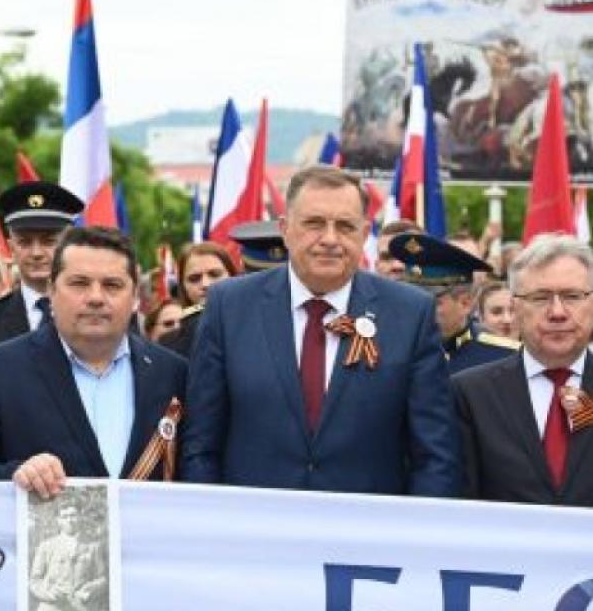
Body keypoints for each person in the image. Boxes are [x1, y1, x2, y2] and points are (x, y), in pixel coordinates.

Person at [180, 165, 460, 496]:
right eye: (314, 223)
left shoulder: (410, 313)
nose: (329, 239)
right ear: (285, 229)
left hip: (366, 524)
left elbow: (435, 456)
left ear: (364, 234)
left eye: (345, 226)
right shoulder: (229, 307)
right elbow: (201, 445)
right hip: (254, 523)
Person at [0, 227, 188, 496]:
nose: (96, 298)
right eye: (79, 283)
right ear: (51, 291)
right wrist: (16, 474)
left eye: (112, 285)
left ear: (134, 298)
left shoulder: (173, 373)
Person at [453, 234, 593, 505]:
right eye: (540, 298)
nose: (557, 312)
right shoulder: (471, 395)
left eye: (572, 296)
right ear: (515, 308)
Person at [0, 182, 84, 366]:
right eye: (25, 242)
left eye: (48, 241)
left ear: (69, 244)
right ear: (11, 247)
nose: (36, 253)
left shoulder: (92, 311)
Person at [390, 232, 518, 374]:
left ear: (465, 303)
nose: (417, 309)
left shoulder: (503, 358)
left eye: (430, 302)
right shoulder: (389, 349)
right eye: (411, 299)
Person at [158, 242, 237, 358]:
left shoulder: (257, 326)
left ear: (233, 276)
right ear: (183, 286)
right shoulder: (168, 345)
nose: (205, 284)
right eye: (194, 278)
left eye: (215, 274)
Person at [29, 503, 106, 611]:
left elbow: (102, 579)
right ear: (58, 520)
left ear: (80, 517)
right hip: (51, 606)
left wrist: (89, 590)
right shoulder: (46, 546)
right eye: (64, 517)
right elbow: (34, 580)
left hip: (81, 606)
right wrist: (50, 594)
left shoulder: (93, 546)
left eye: (73, 515)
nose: (69, 520)